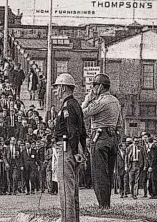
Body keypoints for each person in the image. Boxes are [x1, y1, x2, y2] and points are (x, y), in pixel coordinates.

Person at [82, 73, 123, 209]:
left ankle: (103, 205)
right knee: (108, 173)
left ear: (100, 86)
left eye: (94, 85)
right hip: (112, 138)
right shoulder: (116, 101)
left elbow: (83, 113)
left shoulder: (101, 101)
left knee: (99, 174)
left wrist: (88, 99)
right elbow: (120, 124)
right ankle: (107, 203)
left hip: (99, 137)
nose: (93, 88)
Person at [52, 73, 87, 222]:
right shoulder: (76, 105)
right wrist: (81, 151)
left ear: (64, 88)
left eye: (57, 87)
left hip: (66, 149)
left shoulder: (67, 106)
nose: (55, 91)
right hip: (73, 149)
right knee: (73, 191)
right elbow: (83, 132)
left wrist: (73, 151)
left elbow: (72, 131)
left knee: (66, 191)